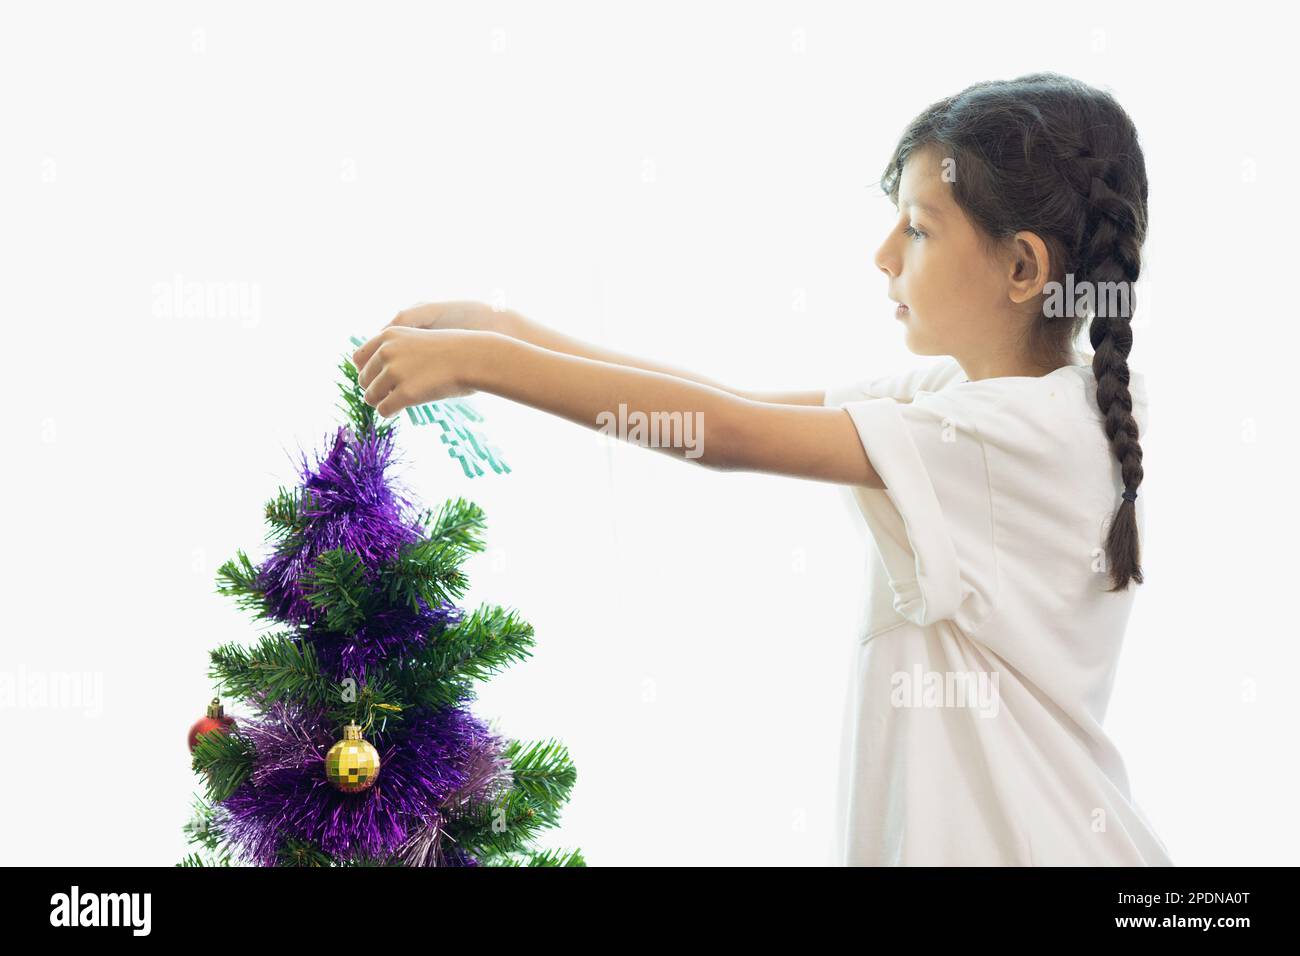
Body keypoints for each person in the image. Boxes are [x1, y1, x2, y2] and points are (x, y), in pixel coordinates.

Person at [350, 71, 1173, 866]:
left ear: (1023, 269)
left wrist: (489, 363)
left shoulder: (1011, 431)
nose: (884, 254)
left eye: (918, 229)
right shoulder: (993, 400)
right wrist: (510, 329)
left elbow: (731, 435)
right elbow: (732, 401)